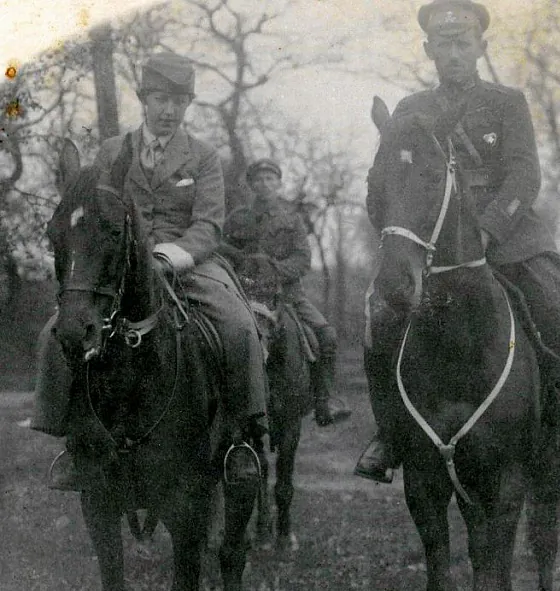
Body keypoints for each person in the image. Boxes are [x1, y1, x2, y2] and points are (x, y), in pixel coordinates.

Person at [354, 0, 560, 484]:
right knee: (378, 314)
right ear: (428, 50)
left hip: (505, 238)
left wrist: (488, 227)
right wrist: (397, 235)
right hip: (431, 246)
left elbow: (525, 173)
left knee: (551, 303)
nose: (454, 52)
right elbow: (386, 181)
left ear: (481, 47)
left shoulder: (508, 103)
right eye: (444, 44)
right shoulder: (410, 110)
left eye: (463, 43)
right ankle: (389, 432)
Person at [32, 51, 268, 489]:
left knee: (238, 325)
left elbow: (210, 224)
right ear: (144, 99)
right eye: (161, 99)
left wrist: (170, 255)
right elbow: (94, 209)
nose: (169, 111)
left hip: (190, 264)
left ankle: (243, 436)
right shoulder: (110, 152)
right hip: (120, 264)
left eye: (179, 102)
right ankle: (71, 435)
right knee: (57, 330)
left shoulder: (202, 157)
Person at [223, 158, 352, 427]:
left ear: (279, 183)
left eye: (270, 179)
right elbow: (223, 252)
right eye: (259, 180)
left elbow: (303, 259)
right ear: (251, 185)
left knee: (326, 335)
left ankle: (324, 400)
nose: (265, 184)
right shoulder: (237, 219)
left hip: (288, 295)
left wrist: (273, 270)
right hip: (246, 294)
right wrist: (245, 266)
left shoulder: (291, 219)